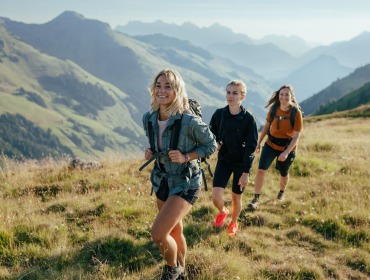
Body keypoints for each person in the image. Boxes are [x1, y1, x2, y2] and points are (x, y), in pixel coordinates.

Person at [143, 69, 217, 280]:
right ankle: (183, 271)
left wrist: (186, 156)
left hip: (186, 182)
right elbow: (158, 144)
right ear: (153, 89)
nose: (162, 90)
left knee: (158, 233)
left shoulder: (189, 121)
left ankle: (172, 268)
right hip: (162, 179)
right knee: (174, 231)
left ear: (178, 91)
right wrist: (150, 152)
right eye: (159, 85)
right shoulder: (148, 118)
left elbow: (211, 145)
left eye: (168, 86)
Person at [209, 80, 258, 236]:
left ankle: (234, 223)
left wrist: (246, 172)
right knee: (216, 197)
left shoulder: (248, 119)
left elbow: (251, 148)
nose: (230, 96)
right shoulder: (219, 114)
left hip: (241, 164)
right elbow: (211, 134)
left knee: (236, 197)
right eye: (228, 92)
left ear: (242, 96)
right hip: (224, 161)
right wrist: (216, 143)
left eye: (235, 93)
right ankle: (223, 211)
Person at [248, 84, 303, 210]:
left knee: (284, 172)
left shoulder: (296, 112)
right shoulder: (274, 109)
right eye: (281, 95)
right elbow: (266, 126)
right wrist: (259, 142)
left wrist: (287, 153)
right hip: (271, 144)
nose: (283, 97)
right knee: (261, 170)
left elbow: (296, 137)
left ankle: (281, 192)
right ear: (278, 96)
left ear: (292, 96)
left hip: (287, 147)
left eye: (286, 95)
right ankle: (256, 198)